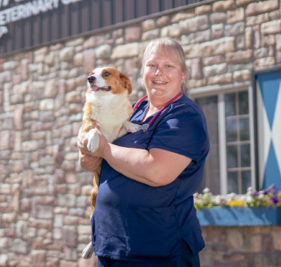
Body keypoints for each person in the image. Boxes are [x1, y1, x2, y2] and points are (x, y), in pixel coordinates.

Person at [78, 38, 209, 266]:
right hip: (112, 247)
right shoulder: (135, 110)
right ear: (142, 71)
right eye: (152, 65)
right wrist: (86, 150)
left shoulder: (184, 116)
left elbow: (156, 171)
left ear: (183, 74)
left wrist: (104, 149)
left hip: (156, 251)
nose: (159, 72)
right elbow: (91, 163)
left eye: (169, 66)